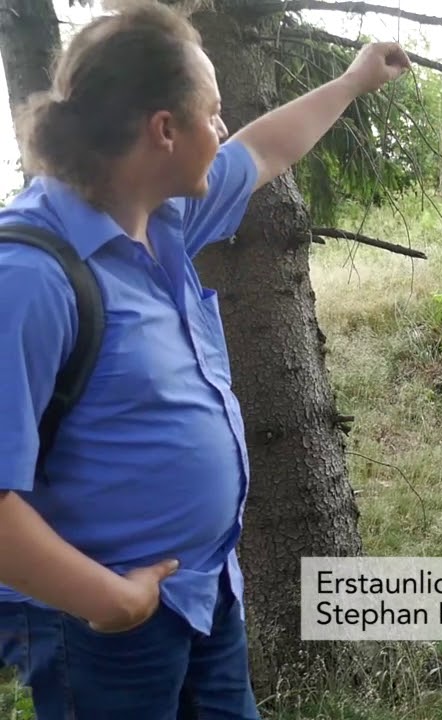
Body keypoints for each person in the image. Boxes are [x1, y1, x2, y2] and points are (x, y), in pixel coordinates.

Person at [0, 1, 409, 717]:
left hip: (204, 593)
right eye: (212, 113)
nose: (222, 132)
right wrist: (111, 601)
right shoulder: (29, 277)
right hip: (98, 630)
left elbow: (265, 150)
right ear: (164, 130)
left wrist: (353, 81)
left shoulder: (159, 214)